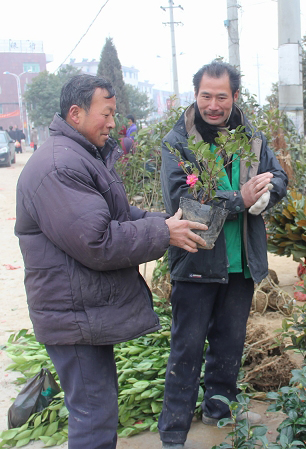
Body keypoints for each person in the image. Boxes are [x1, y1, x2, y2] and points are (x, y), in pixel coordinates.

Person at [15, 74, 208, 449]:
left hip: (80, 312)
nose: (112, 123)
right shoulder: (60, 166)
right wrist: (162, 232)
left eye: (114, 114)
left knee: (96, 410)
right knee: (93, 418)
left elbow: (115, 214)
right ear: (76, 114)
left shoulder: (80, 155)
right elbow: (97, 241)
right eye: (105, 114)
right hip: (72, 316)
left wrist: (163, 221)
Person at [159, 60, 288, 449]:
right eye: (205, 96)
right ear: (195, 95)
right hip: (196, 259)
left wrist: (268, 193)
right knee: (187, 347)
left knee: (229, 342)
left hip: (240, 261)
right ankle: (173, 431)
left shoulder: (251, 137)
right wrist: (239, 199)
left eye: (221, 96)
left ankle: (219, 409)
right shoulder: (178, 142)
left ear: (234, 96)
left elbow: (278, 174)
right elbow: (181, 200)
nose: (212, 105)